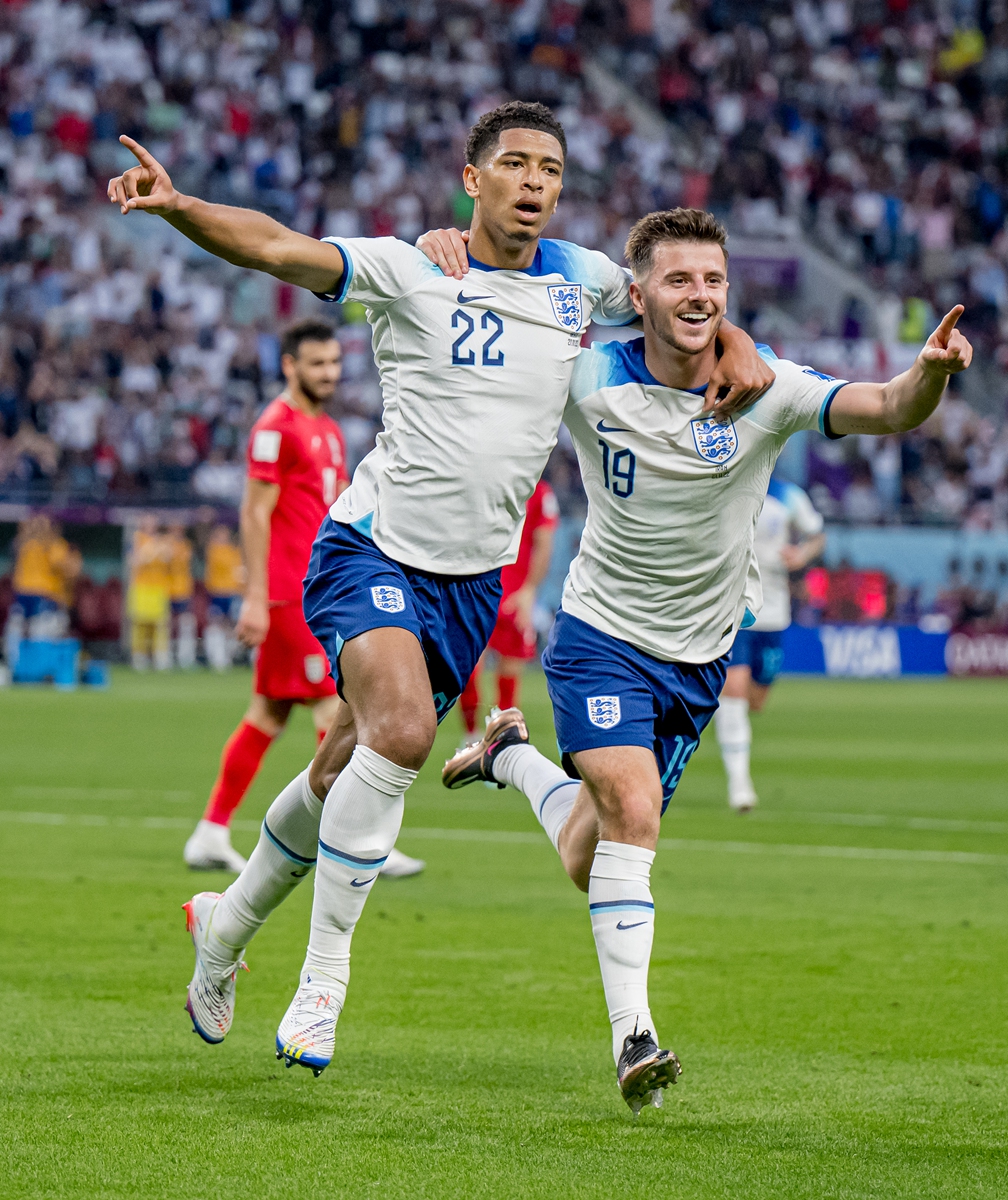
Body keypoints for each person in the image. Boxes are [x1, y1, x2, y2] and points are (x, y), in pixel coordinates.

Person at [108, 101, 771, 1067]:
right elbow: (279, 247)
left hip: (469, 584)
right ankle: (323, 979)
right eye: (514, 164)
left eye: (550, 166)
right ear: (474, 180)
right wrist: (179, 207)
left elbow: (686, 302)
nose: (535, 182)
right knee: (408, 734)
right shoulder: (410, 267)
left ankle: (225, 926)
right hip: (371, 547)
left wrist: (740, 343)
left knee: (344, 764)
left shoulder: (586, 283)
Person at [442, 207, 972, 1113]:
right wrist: (440, 249)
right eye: (680, 280)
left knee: (588, 855)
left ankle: (510, 758)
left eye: (714, 283)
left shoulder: (766, 390)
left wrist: (927, 375)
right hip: (600, 634)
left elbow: (884, 407)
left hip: (697, 658)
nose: (699, 296)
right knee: (634, 814)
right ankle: (633, 1038)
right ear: (637, 291)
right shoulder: (584, 375)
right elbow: (502, 316)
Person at [183, 319, 426, 878]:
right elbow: (253, 512)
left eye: (334, 364)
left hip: (317, 588)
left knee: (267, 714)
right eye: (316, 364)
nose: (329, 374)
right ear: (289, 365)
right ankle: (362, 840)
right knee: (342, 710)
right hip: (290, 595)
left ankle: (211, 830)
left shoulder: (329, 431)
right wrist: (253, 596)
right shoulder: (276, 427)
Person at [714, 477, 825, 811]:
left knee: (755, 700)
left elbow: (817, 534)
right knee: (734, 688)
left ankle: (721, 718)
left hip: (775, 610)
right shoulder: (725, 480)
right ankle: (740, 787)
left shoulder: (788, 494)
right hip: (732, 606)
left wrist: (803, 554)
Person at [458, 479, 559, 740]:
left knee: (509, 670)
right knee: (467, 668)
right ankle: (470, 737)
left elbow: (544, 543)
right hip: (479, 589)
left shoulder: (541, 493)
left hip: (515, 595)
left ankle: (500, 744)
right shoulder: (489, 480)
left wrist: (530, 590)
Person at [7, 514, 81, 653]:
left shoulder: (55, 545)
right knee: (22, 629)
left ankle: (37, 663)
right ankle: (20, 663)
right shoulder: (28, 543)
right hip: (35, 593)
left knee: (40, 631)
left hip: (43, 594)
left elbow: (68, 571)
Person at [127, 515, 172, 671]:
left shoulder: (163, 541)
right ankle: (139, 657)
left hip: (159, 587)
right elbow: (134, 561)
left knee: (160, 625)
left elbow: (169, 559)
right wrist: (150, 552)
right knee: (140, 624)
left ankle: (160, 657)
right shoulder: (136, 539)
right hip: (141, 587)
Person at [201, 524, 244, 673]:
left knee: (230, 625)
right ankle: (216, 657)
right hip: (218, 592)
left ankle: (228, 656)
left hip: (231, 592)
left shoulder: (234, 552)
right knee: (217, 623)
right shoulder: (213, 551)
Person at [167, 522, 197, 669]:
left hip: (183, 589)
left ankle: (185, 656)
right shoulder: (164, 544)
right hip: (167, 589)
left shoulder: (186, 545)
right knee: (166, 624)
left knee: (185, 623)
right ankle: (165, 656)